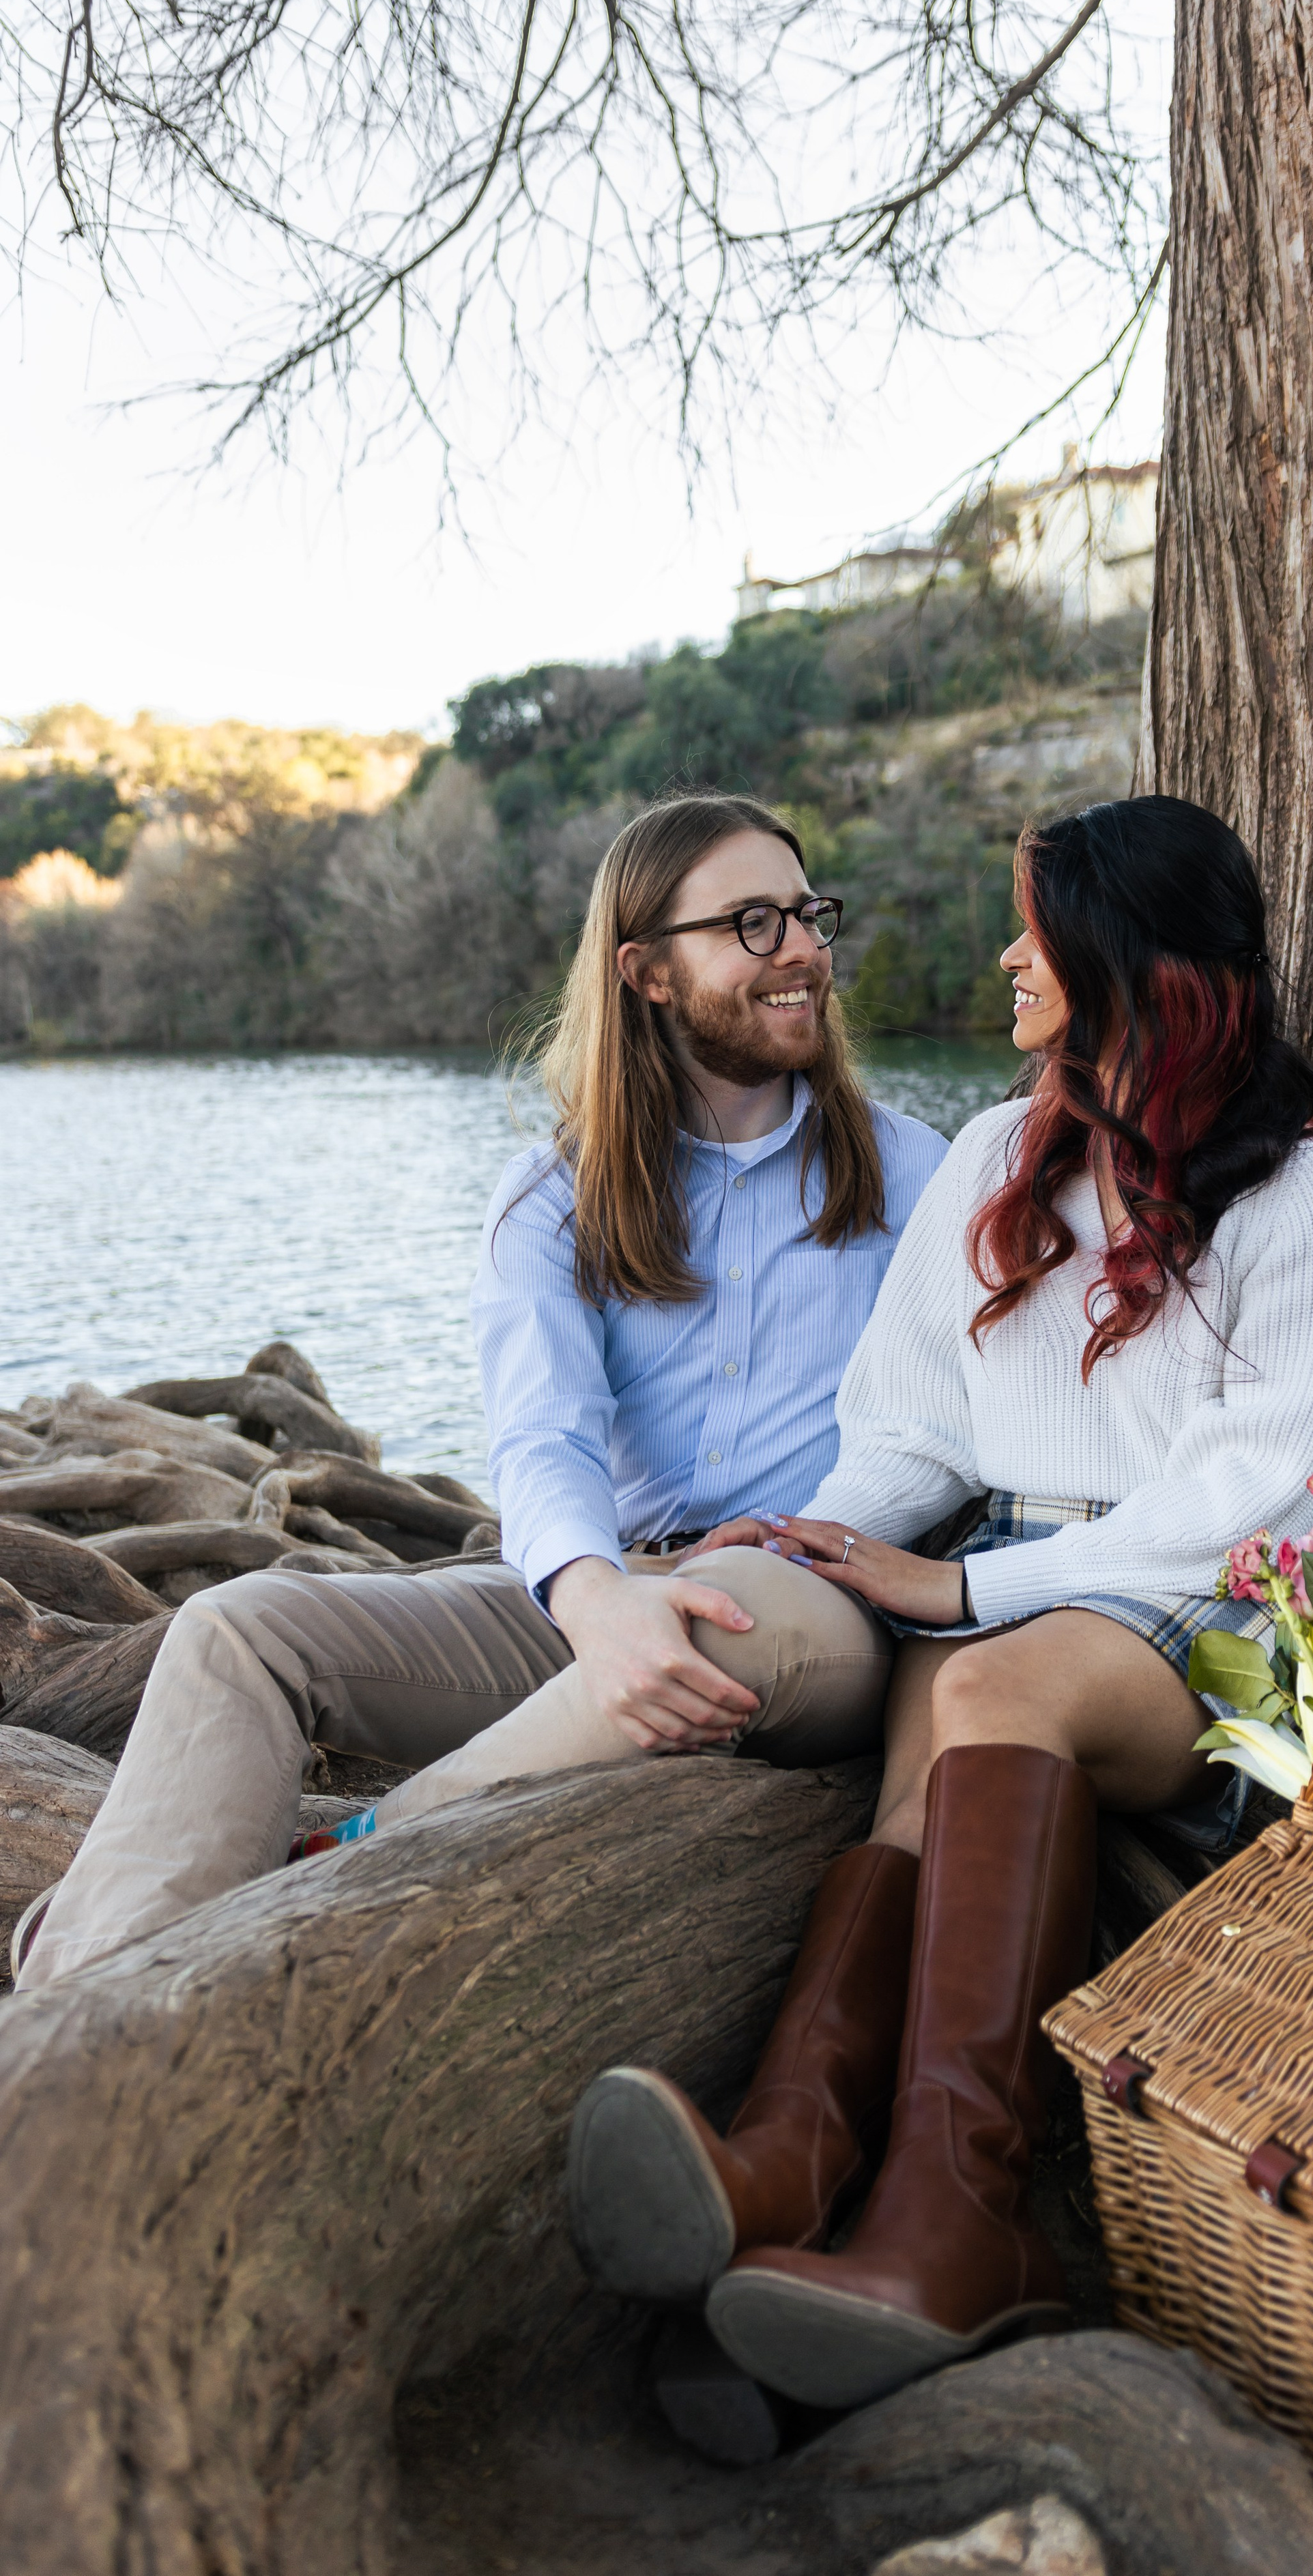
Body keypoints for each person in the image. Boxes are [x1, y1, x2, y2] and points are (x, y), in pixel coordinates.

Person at [568, 794, 1313, 2406]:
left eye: (1035, 934)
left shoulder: (1298, 1191)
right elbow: (909, 1431)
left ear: (1126, 961)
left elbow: (1243, 1495)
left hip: (1201, 1611)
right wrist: (814, 1540)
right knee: (921, 1758)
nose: (1007, 962)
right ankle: (788, 2163)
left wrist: (967, 1582)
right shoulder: (989, 1156)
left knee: (977, 1682)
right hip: (999, 1586)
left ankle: (962, 2213)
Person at [15, 795, 946, 1990]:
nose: (802, 949)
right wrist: (596, 1597)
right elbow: (545, 1437)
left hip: (816, 1609)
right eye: (753, 924)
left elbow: (962, 1431)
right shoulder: (554, 1196)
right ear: (648, 973)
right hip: (617, 1584)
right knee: (239, 1628)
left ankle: (355, 1854)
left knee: (736, 1604)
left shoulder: (917, 1175)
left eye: (809, 915)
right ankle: (82, 2002)